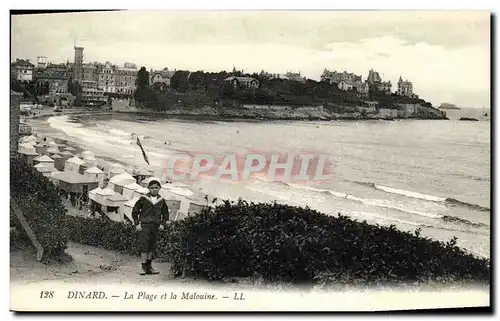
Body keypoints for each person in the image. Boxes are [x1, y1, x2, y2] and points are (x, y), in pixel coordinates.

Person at [132, 179, 170, 275]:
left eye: (156, 188)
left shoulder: (161, 200)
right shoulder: (143, 199)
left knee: (151, 246)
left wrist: (162, 223)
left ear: (159, 188)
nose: (154, 189)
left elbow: (165, 214)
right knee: (144, 246)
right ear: (148, 188)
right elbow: (135, 212)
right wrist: (137, 224)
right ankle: (143, 267)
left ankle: (149, 267)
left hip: (155, 227)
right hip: (144, 226)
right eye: (152, 188)